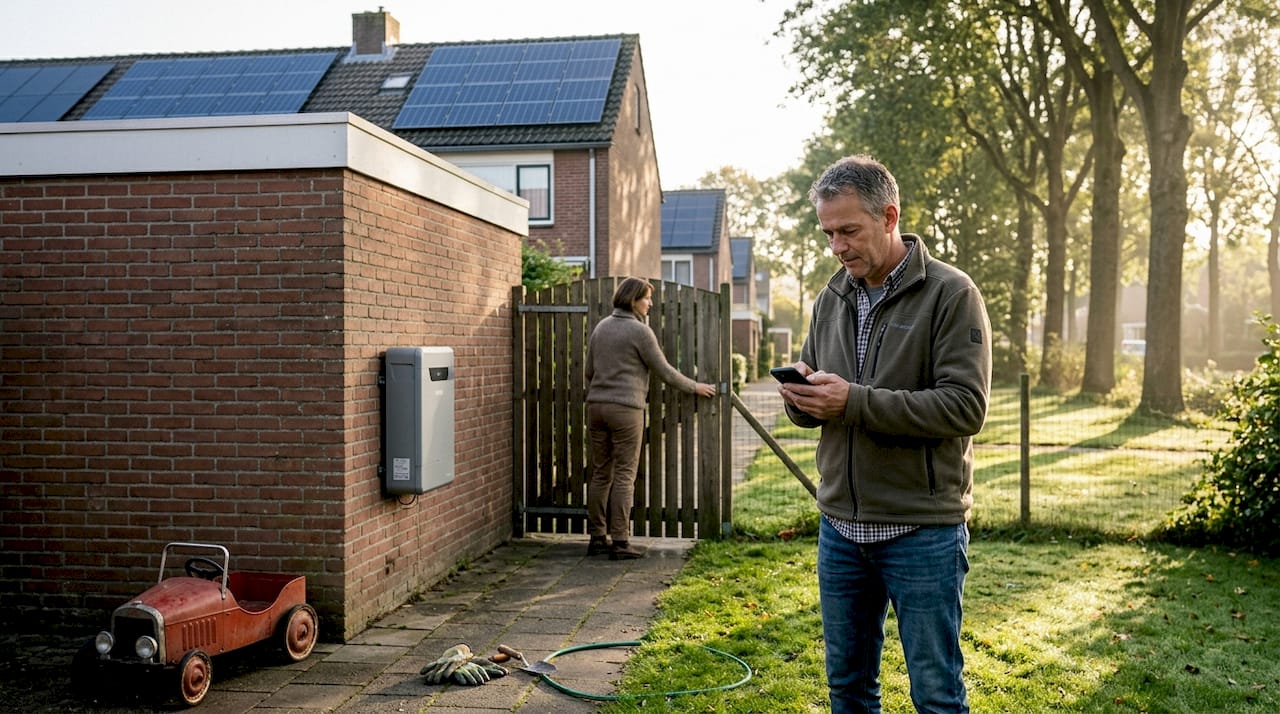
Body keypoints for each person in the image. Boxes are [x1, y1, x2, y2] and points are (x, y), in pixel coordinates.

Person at [776, 155, 991, 713]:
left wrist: (851, 401)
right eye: (828, 233)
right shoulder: (831, 298)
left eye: (849, 230)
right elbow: (825, 397)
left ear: (889, 216)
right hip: (841, 531)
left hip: (922, 531)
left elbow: (965, 407)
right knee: (847, 690)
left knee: (936, 695)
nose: (838, 246)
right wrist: (802, 401)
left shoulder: (951, 293)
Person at [585, 277, 716, 560]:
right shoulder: (639, 332)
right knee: (624, 474)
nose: (651, 303)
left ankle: (597, 538)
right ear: (633, 300)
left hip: (595, 406)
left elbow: (588, 371)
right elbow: (665, 371)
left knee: (599, 472)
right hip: (626, 409)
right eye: (646, 298)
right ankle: (620, 541)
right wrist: (696, 387)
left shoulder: (601, 327)